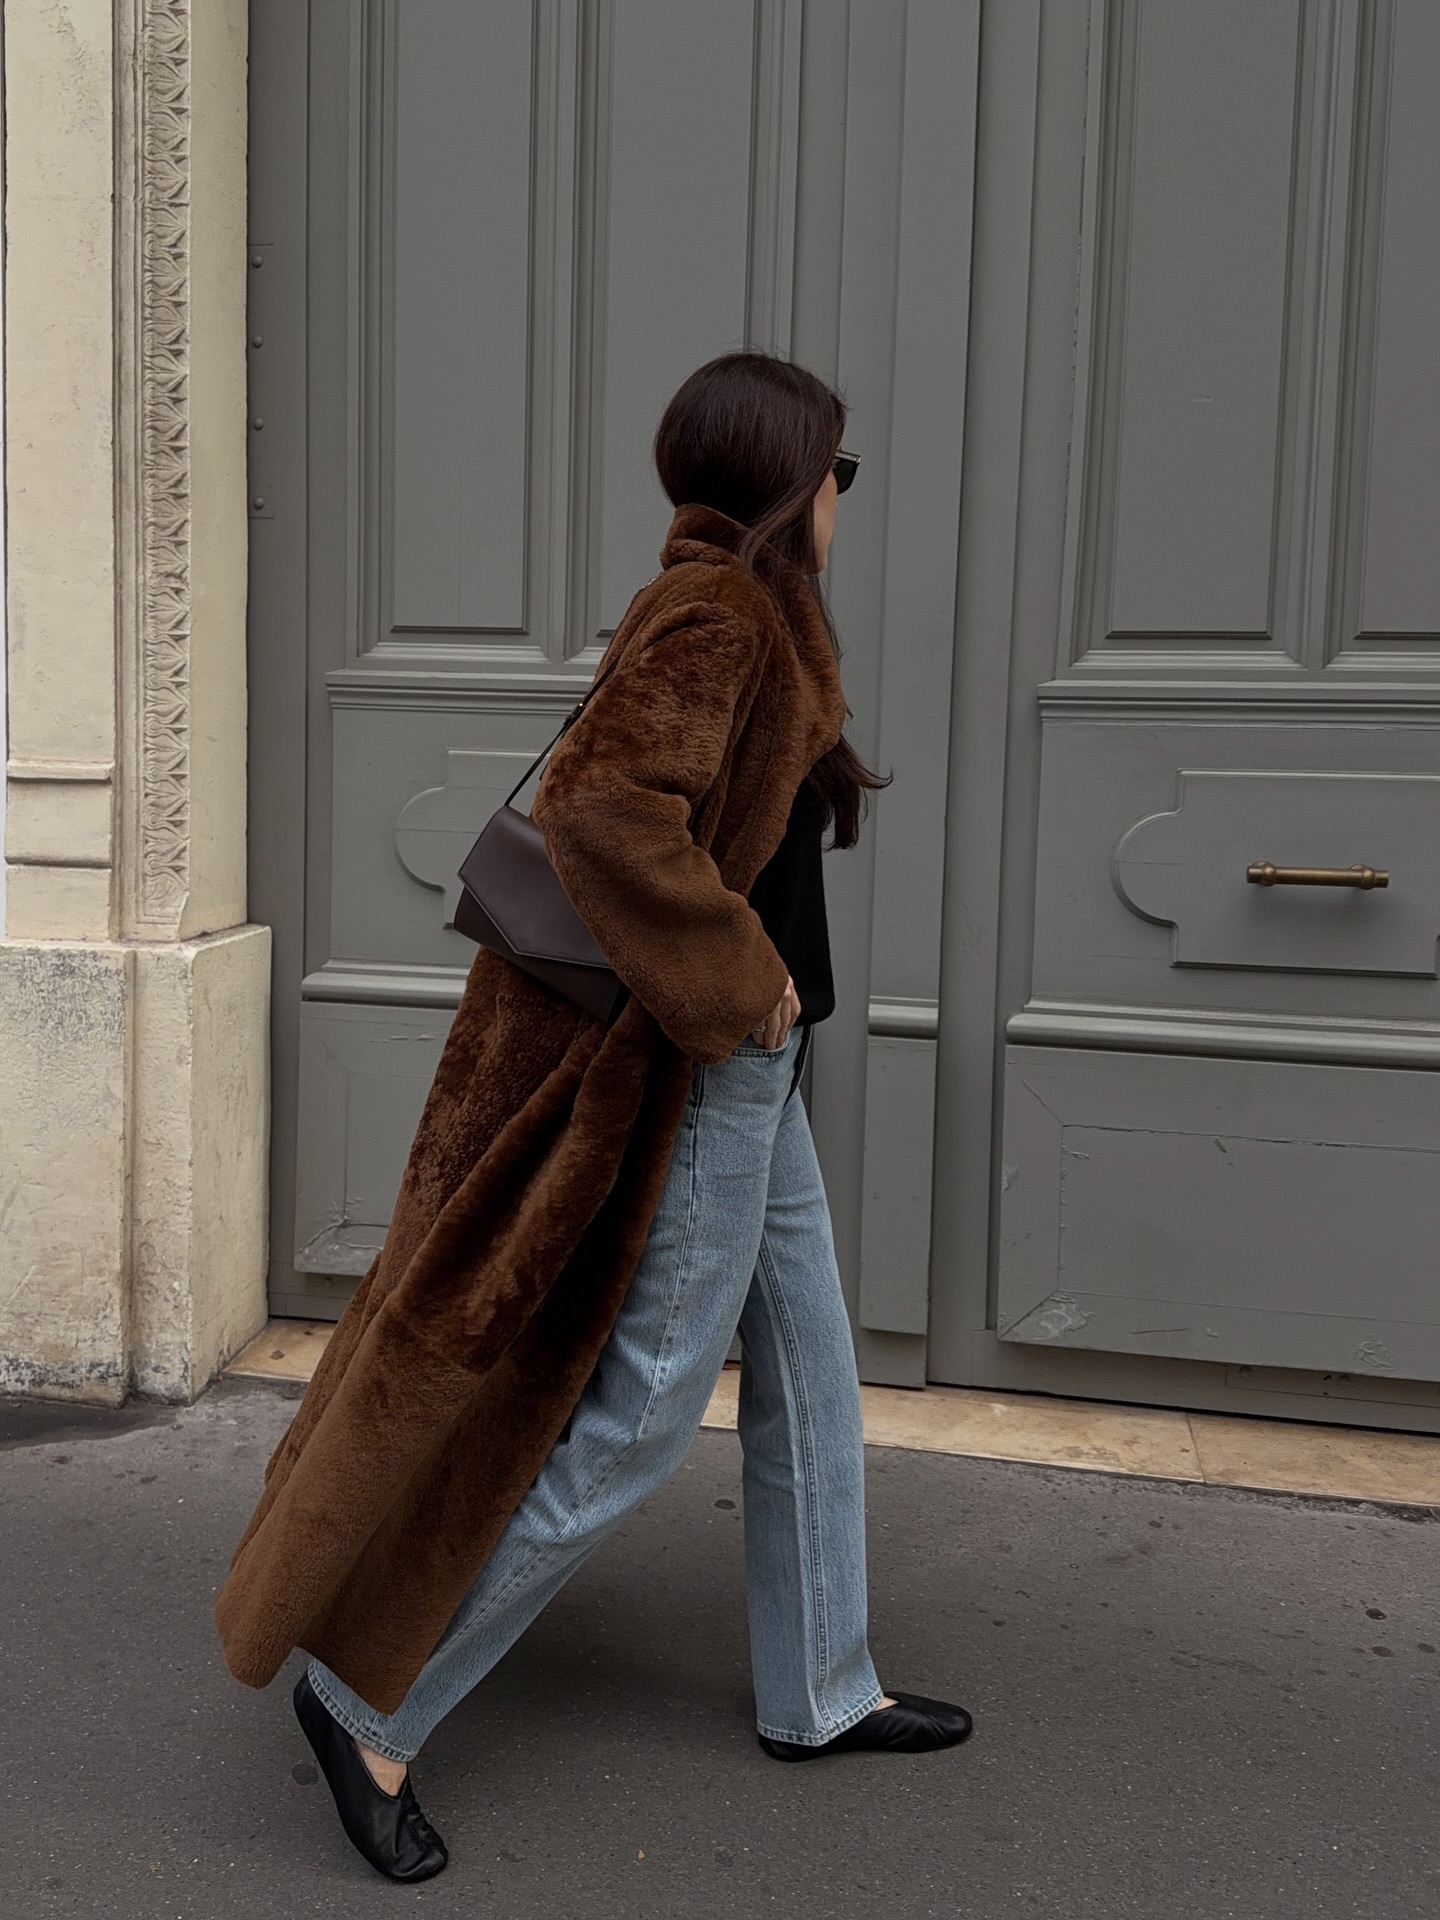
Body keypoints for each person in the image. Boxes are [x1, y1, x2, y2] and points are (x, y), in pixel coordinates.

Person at [234, 353, 972, 1883]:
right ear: (786, 477)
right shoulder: (719, 612)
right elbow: (600, 807)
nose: (846, 497)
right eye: (838, 470)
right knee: (639, 1418)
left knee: (813, 1372)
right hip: (705, 1060)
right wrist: (744, 981)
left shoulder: (752, 606)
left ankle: (821, 1688)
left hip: (753, 1062)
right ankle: (367, 1707)